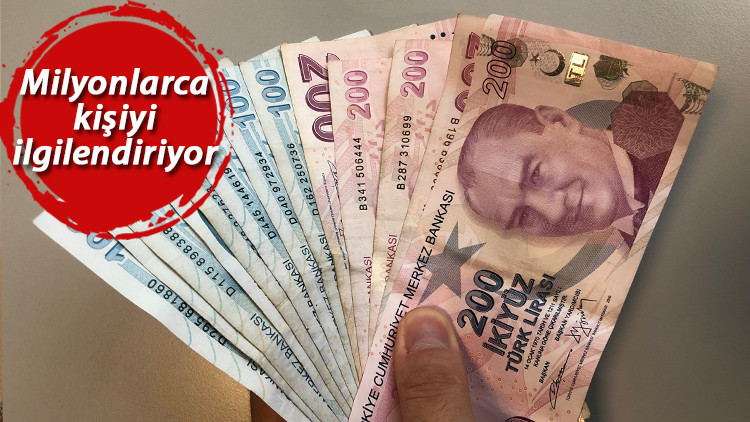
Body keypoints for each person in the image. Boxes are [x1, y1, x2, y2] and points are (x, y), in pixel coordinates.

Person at [457, 99, 680, 247]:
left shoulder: (669, 113)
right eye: (523, 216)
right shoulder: (638, 251)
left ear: (559, 121)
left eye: (535, 175)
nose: (553, 213)